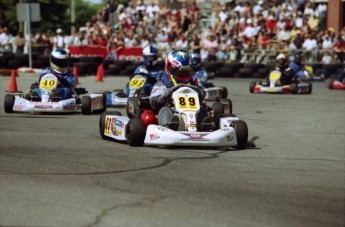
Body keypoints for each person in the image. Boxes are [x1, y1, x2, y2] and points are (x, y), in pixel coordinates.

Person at [149, 49, 209, 130]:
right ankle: (167, 127)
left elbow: (203, 98)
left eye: (187, 71)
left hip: (193, 113)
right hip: (173, 112)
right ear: (169, 68)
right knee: (165, 109)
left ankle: (205, 126)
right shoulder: (162, 84)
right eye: (179, 71)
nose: (183, 74)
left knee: (201, 109)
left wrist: (200, 94)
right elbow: (153, 103)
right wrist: (165, 94)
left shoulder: (194, 81)